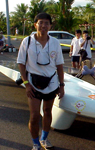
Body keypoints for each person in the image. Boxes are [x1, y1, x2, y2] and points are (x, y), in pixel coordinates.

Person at [17, 12, 65, 150]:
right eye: (41, 22)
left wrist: (61, 86)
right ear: (35, 24)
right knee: (34, 116)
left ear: (50, 26)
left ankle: (44, 139)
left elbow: (60, 65)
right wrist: (26, 84)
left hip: (51, 83)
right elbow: (21, 63)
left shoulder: (55, 43)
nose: (43, 25)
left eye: (46, 23)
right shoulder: (27, 41)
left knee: (48, 112)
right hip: (33, 83)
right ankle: (35, 143)